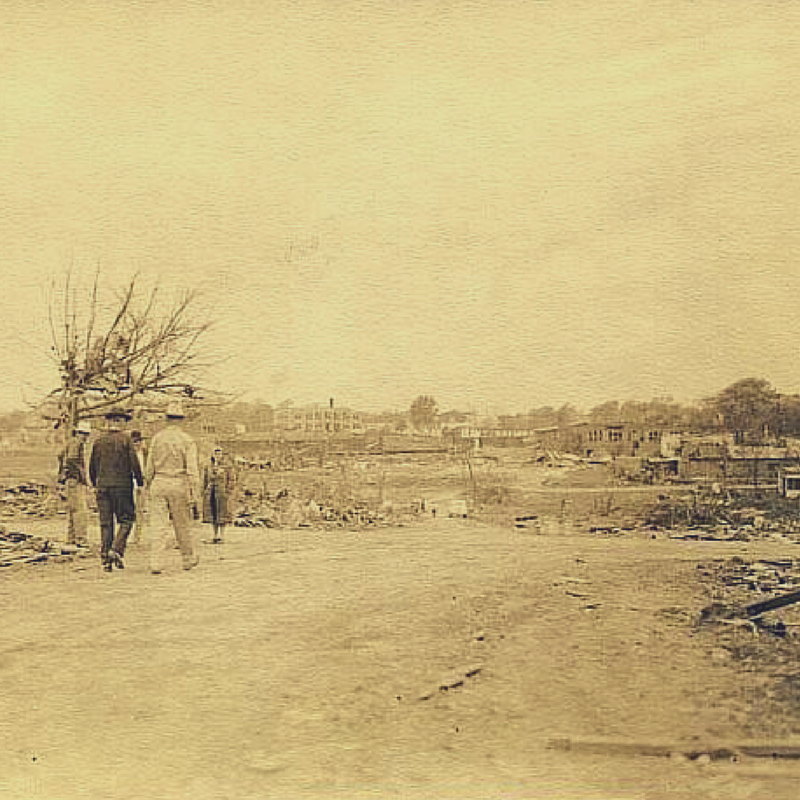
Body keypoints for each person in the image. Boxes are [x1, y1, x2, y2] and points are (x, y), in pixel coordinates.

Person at [145, 401, 200, 574]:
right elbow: (192, 469)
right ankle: (187, 558)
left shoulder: (157, 438)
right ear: (181, 420)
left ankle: (156, 562)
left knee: (157, 524)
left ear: (166, 419)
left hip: (159, 481)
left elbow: (149, 467)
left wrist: (147, 484)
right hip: (178, 482)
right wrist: (195, 491)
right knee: (181, 524)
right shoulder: (186, 440)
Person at [89, 407, 144, 572]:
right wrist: (140, 481)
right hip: (122, 486)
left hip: (102, 486)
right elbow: (134, 463)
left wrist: (95, 484)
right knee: (127, 520)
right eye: (124, 421)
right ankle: (116, 549)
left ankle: (106, 560)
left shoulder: (98, 441)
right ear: (119, 421)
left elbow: (92, 466)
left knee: (106, 524)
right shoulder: (125, 440)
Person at [57, 419, 92, 547]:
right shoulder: (77, 443)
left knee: (73, 509)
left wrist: (62, 475)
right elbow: (72, 460)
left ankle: (71, 538)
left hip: (69, 479)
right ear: (79, 433)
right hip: (74, 480)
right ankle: (81, 539)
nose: (86, 437)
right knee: (80, 510)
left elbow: (60, 455)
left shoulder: (70, 442)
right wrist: (82, 476)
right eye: (84, 434)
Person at [202, 446, 236, 543]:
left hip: (222, 493)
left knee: (222, 514)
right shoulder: (208, 466)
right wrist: (204, 490)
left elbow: (231, 479)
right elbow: (205, 479)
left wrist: (228, 491)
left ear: (222, 455)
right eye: (215, 454)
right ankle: (215, 535)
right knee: (213, 513)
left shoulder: (227, 466)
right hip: (211, 492)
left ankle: (222, 535)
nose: (217, 456)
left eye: (219, 453)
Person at [128, 430, 147, 547]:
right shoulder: (127, 454)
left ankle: (137, 536)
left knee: (140, 511)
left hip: (142, 484)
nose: (137, 444)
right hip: (130, 484)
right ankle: (129, 535)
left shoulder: (145, 453)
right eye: (135, 442)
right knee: (130, 510)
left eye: (139, 442)